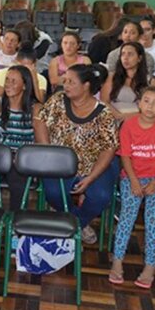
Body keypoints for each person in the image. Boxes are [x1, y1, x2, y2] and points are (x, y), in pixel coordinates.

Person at [36, 64, 119, 245]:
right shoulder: (58, 100)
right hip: (59, 164)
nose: (65, 85)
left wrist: (90, 178)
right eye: (64, 81)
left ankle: (74, 224)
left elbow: (109, 148)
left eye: (71, 82)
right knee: (53, 193)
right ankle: (76, 222)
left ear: (86, 86)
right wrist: (48, 151)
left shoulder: (104, 113)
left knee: (101, 196)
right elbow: (41, 122)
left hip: (94, 166)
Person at [109, 86, 155, 289]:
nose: (150, 106)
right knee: (126, 217)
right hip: (132, 176)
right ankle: (117, 262)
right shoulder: (129, 125)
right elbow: (125, 156)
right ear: (139, 104)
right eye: (146, 101)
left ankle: (150, 267)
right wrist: (133, 180)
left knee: (152, 220)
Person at [0, 65, 48, 254]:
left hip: (22, 160)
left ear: (25, 85)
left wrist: (21, 158)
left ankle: (15, 230)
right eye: (7, 80)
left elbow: (43, 144)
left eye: (14, 81)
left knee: (18, 181)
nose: (8, 84)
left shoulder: (36, 109)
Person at [101, 42, 153, 120]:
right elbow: (104, 101)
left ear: (139, 58)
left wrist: (129, 116)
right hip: (114, 118)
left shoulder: (149, 81)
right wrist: (118, 115)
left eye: (130, 54)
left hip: (139, 120)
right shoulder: (112, 77)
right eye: (123, 54)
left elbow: (153, 107)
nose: (125, 58)